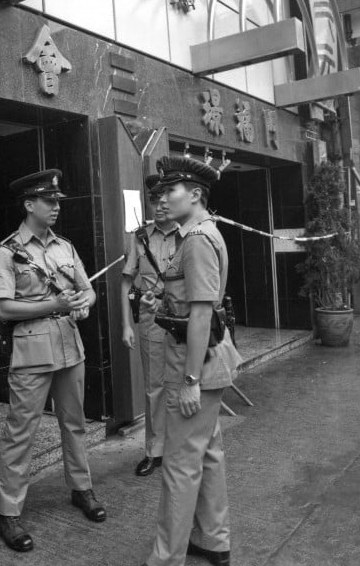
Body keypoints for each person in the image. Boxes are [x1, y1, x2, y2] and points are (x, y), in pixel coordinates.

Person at [0, 169, 104, 552]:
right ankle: (8, 511)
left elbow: (88, 291)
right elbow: (4, 308)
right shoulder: (6, 251)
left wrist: (82, 305)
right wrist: (52, 304)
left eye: (57, 202)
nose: (56, 207)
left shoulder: (65, 247)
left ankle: (81, 488)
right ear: (28, 205)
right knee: (21, 431)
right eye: (49, 201)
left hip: (71, 347)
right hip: (33, 352)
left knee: (75, 424)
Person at [142, 156, 243, 566]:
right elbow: (191, 302)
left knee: (181, 465)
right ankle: (214, 540)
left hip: (193, 361)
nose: (161, 200)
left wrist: (189, 380)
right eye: (160, 193)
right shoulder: (202, 233)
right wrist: (160, 299)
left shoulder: (197, 239)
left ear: (196, 194)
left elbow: (203, 313)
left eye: (170, 192)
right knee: (208, 453)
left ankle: (166, 558)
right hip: (208, 358)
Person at [120, 174, 178, 477]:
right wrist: (126, 324)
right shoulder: (141, 236)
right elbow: (127, 280)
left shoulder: (191, 234)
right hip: (151, 319)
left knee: (181, 384)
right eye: (154, 199)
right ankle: (154, 451)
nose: (160, 204)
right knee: (154, 387)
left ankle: (180, 448)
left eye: (166, 197)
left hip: (183, 317)